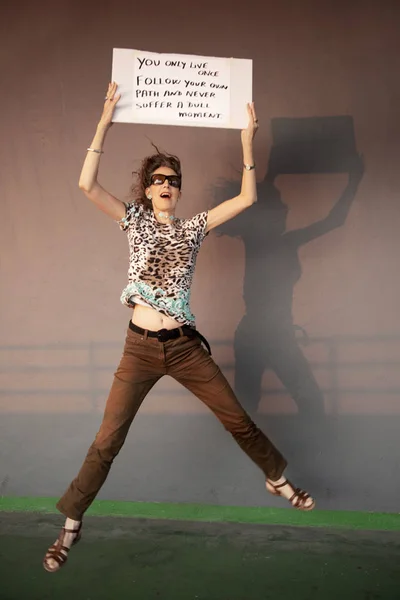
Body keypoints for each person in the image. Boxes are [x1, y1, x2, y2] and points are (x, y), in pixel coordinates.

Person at [43, 82, 315, 573]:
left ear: (178, 189)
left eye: (174, 179)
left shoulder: (193, 228)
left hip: (186, 348)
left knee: (239, 420)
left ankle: (275, 477)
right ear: (148, 188)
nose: (168, 184)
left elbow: (248, 197)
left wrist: (246, 140)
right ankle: (71, 524)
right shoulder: (134, 221)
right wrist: (105, 121)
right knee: (107, 441)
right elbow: (86, 185)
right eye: (159, 178)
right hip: (140, 350)